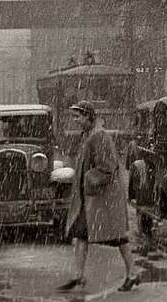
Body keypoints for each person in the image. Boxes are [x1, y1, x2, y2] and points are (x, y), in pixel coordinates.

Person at [58, 100, 140, 292]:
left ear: (87, 116)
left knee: (119, 237)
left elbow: (107, 167)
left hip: (104, 199)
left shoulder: (99, 136)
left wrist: (87, 179)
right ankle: (78, 276)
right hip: (91, 199)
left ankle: (133, 274)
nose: (75, 120)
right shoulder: (89, 134)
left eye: (77, 117)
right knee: (81, 235)